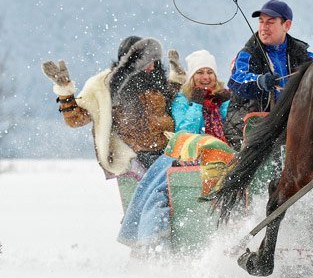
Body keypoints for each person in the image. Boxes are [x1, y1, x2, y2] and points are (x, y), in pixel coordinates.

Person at [41, 36, 183, 176]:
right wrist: (65, 91)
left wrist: (179, 77)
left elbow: (180, 103)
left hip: (167, 150)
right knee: (163, 176)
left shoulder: (159, 83)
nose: (151, 65)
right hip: (135, 157)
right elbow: (76, 119)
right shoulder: (105, 86)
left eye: (153, 60)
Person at [223, 0, 313, 149]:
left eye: (270, 22)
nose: (263, 28)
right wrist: (259, 81)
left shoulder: (303, 54)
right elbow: (236, 80)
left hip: (292, 123)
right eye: (261, 22)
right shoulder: (248, 53)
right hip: (248, 128)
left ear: (287, 25)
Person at [170, 49, 232, 142]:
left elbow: (233, 130)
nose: (206, 77)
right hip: (194, 154)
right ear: (192, 77)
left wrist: (226, 103)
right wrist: (196, 104)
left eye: (210, 72)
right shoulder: (182, 99)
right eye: (200, 72)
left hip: (223, 152)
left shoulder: (222, 97)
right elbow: (184, 134)